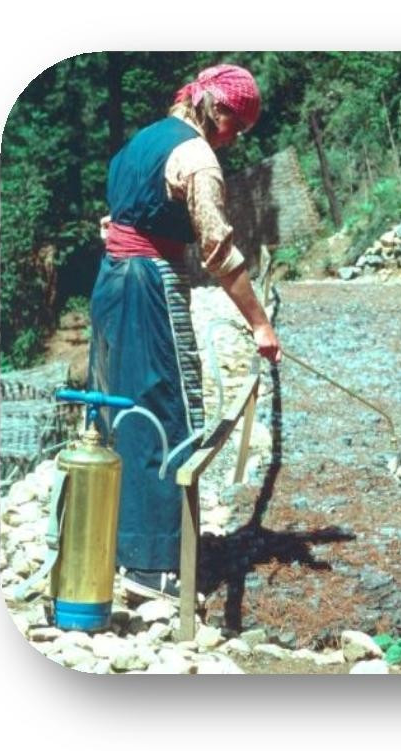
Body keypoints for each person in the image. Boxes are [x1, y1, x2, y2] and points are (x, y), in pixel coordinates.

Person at [88, 63, 281, 601]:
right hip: (148, 285)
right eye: (234, 129)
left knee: (117, 410)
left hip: (110, 282)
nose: (233, 141)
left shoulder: (143, 141)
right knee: (166, 411)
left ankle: (114, 546)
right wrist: (260, 324)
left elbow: (115, 220)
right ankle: (155, 565)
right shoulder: (197, 159)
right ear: (217, 109)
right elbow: (219, 251)